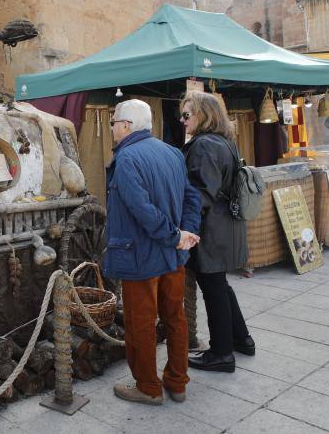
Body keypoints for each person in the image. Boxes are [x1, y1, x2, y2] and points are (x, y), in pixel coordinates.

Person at [104, 99, 202, 405]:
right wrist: (184, 235)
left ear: (126, 125)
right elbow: (192, 199)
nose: (112, 129)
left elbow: (141, 209)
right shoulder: (172, 152)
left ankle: (148, 387)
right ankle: (177, 381)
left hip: (141, 257)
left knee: (141, 323)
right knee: (176, 318)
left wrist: (176, 236)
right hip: (171, 256)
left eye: (113, 123)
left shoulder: (127, 158)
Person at [181, 91, 255, 373]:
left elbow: (200, 194)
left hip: (211, 228)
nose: (182, 120)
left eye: (187, 114)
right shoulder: (225, 141)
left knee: (213, 287)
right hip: (226, 224)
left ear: (204, 115)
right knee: (219, 285)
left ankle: (222, 353)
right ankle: (241, 339)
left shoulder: (204, 145)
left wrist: (185, 230)